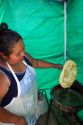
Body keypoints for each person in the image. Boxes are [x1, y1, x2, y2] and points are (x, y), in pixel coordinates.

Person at [0, 23, 62, 125]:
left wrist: (54, 65)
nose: (23, 54)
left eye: (23, 49)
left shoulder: (24, 58)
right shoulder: (3, 78)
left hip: (29, 114)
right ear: (4, 55)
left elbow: (36, 62)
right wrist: (16, 120)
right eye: (18, 53)